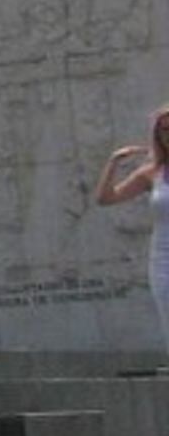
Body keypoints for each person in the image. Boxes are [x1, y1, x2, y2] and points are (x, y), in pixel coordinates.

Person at [94, 109, 169, 335]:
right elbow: (106, 198)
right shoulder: (152, 173)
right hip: (164, 259)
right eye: (164, 130)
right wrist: (114, 161)